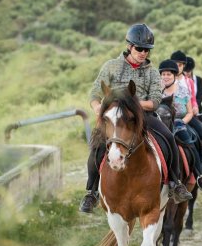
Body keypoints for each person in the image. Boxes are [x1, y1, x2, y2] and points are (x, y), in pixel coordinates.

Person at [79, 24, 192, 213]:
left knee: (169, 137)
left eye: (147, 50)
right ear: (130, 46)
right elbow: (95, 93)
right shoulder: (111, 66)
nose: (143, 53)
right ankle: (91, 192)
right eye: (139, 48)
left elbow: (155, 101)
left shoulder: (152, 72)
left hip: (141, 116)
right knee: (97, 146)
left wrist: (133, 105)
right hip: (114, 116)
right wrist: (98, 107)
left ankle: (175, 183)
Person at [158, 59, 202, 192]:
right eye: (163, 74)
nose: (165, 77)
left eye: (168, 74)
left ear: (175, 75)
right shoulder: (156, 90)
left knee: (189, 143)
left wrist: (182, 122)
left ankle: (199, 176)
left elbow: (189, 112)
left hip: (178, 122)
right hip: (160, 123)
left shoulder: (183, 90)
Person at [170, 50, 202, 171]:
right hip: (170, 116)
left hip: (187, 115)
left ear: (184, 66)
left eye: (180, 65)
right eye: (175, 64)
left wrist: (195, 107)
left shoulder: (189, 81)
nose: (177, 67)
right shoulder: (167, 78)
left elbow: (193, 99)